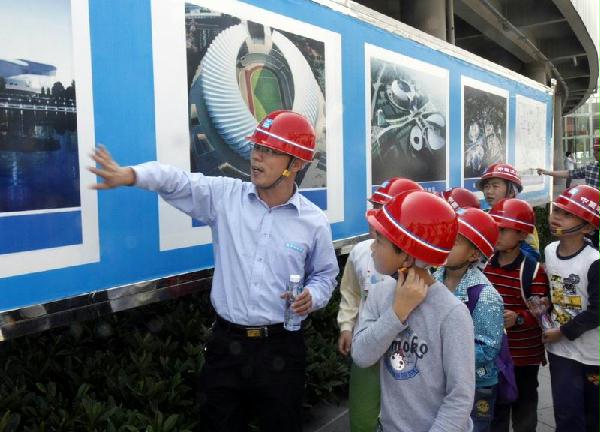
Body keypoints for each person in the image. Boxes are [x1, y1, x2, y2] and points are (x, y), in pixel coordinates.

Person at [89, 110, 339, 432]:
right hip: (226, 348)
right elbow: (176, 180)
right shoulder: (225, 198)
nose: (257, 157)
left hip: (282, 348)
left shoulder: (313, 222)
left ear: (297, 164)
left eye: (270, 151)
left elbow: (325, 275)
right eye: (257, 147)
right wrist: (131, 175)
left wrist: (312, 296)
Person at [352, 190, 475, 432]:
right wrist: (397, 313)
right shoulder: (380, 293)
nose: (372, 248)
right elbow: (361, 356)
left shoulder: (451, 314)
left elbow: (460, 398)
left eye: (380, 241)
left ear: (407, 257)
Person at [337, 177, 422, 432]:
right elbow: (351, 292)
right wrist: (347, 326)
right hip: (368, 346)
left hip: (409, 352)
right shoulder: (361, 252)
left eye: (384, 210)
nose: (376, 217)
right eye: (374, 208)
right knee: (363, 417)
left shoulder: (424, 263)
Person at [433, 207, 503, 432]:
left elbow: (488, 349)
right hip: (441, 380)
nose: (444, 244)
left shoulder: (485, 295)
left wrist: (441, 353)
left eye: (454, 242)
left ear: (473, 255)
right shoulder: (432, 281)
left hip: (476, 384)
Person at [484, 199, 550, 432]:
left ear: (522, 234)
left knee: (524, 410)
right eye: (494, 227)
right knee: (496, 412)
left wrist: (519, 318)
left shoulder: (532, 271)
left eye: (503, 229)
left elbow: (542, 312)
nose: (497, 234)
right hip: (495, 356)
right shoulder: (486, 265)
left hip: (524, 357)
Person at [542, 185, 600, 432]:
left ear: (587, 227)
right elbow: (555, 291)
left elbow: (597, 312)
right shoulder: (549, 251)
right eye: (557, 210)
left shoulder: (594, 262)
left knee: (593, 416)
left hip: (593, 354)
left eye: (567, 214)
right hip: (561, 352)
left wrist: (562, 331)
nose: (557, 217)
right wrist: (545, 304)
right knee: (566, 414)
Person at [538, 138, 600, 249]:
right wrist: (548, 172)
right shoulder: (591, 168)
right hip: (589, 213)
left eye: (598, 150)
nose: (595, 153)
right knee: (589, 241)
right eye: (594, 150)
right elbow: (569, 173)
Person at [477, 163, 540, 261]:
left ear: (511, 192)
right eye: (486, 186)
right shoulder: (484, 216)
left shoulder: (521, 219)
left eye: (495, 186)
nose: (489, 191)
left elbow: (533, 255)